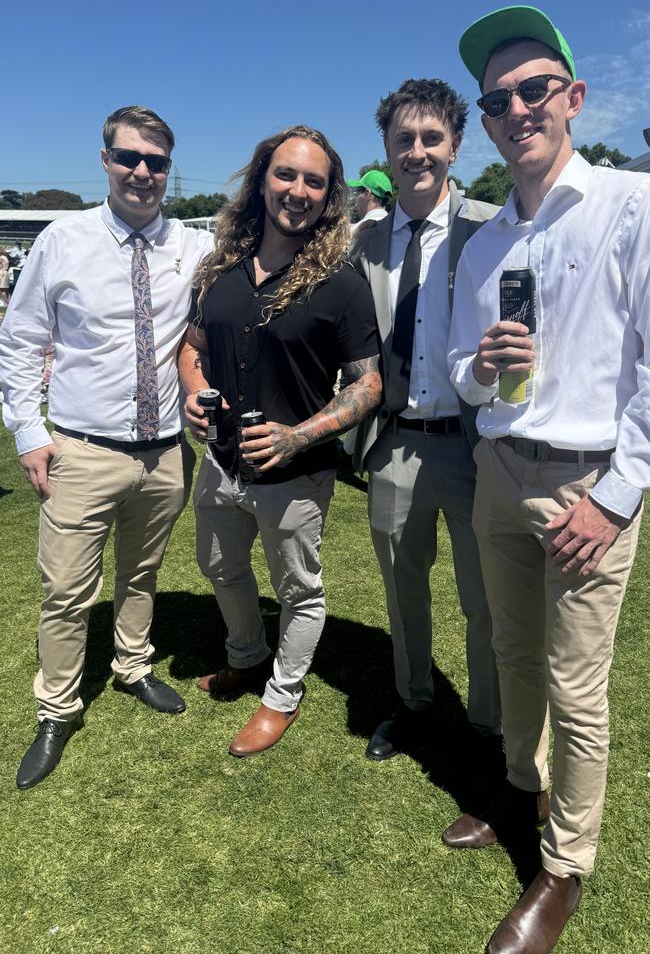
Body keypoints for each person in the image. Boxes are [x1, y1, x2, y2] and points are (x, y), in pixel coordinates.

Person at [444, 5, 650, 954]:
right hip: (498, 469)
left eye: (534, 89)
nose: (517, 108)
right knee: (513, 658)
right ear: (485, 122)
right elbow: (456, 372)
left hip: (584, 484)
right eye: (498, 99)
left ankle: (564, 865)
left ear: (572, 97)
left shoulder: (630, 207)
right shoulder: (482, 243)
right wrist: (484, 365)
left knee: (578, 686)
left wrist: (617, 495)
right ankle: (517, 794)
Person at [0, 106, 213, 790]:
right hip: (83, 450)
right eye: (129, 158)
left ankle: (132, 666)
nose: (142, 173)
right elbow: (21, 339)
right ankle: (57, 708)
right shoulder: (63, 241)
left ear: (167, 170)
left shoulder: (194, 246)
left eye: (155, 162)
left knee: (141, 572)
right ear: (105, 161)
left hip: (164, 450)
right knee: (65, 590)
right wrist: (29, 431)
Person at [178, 125, 381, 758]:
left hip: (294, 473)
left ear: (329, 197)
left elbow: (368, 384)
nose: (297, 190)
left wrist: (299, 436)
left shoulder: (341, 284)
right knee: (219, 565)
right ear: (261, 179)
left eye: (314, 181)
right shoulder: (220, 271)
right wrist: (191, 389)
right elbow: (194, 347)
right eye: (285, 175)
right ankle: (246, 656)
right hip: (220, 461)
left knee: (298, 590)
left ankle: (281, 697)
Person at [349, 78, 502, 763]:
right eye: (404, 140)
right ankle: (413, 703)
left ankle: (489, 724)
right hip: (396, 445)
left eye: (431, 138)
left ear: (455, 145)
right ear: (386, 148)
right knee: (401, 588)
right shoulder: (364, 241)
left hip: (476, 448)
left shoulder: (493, 227)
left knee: (486, 599)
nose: (418, 151)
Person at [348, 169, 393, 235]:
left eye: (358, 192)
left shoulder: (352, 232)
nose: (356, 197)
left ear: (367, 194)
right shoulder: (395, 229)